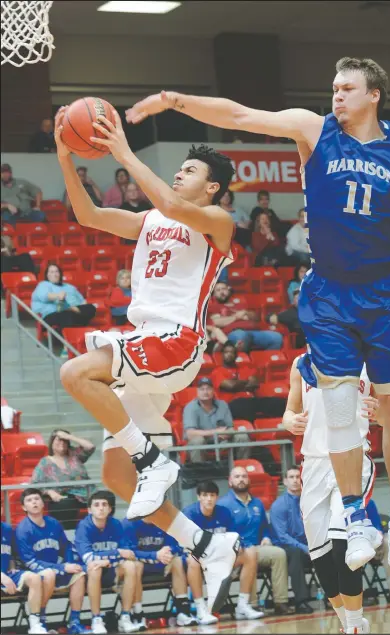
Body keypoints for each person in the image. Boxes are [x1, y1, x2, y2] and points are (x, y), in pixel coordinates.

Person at [126, 56, 390, 572]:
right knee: (341, 410)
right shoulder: (314, 129)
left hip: (387, 293)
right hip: (328, 293)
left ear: (374, 94)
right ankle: (356, 518)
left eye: (347, 88)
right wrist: (173, 101)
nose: (336, 95)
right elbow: (239, 116)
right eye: (333, 87)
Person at [54, 106, 240, 615]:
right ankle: (206, 545)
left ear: (213, 190)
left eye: (192, 170)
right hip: (147, 346)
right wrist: (65, 155)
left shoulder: (216, 223)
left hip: (175, 341)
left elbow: (172, 203)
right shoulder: (151, 218)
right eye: (180, 166)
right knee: (117, 479)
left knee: (74, 372)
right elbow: (88, 215)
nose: (182, 171)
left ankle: (151, 459)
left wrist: (122, 152)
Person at [282, 356, 377, 633]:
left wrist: (379, 410)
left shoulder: (365, 361)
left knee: (342, 546)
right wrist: (290, 421)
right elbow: (289, 410)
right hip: (313, 464)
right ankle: (349, 624)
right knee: (321, 560)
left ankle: (355, 626)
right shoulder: (300, 362)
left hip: (352, 459)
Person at [183, 481, 264, 622]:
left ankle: (243, 606)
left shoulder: (224, 512)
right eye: (205, 495)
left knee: (250, 553)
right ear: (199, 497)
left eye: (212, 495)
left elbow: (234, 535)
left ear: (217, 497)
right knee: (193, 560)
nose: (209, 499)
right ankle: (201, 609)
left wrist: (238, 546)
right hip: (199, 558)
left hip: (220, 556)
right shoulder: (189, 513)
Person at [219, 466, 290, 615]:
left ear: (249, 480)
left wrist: (266, 537)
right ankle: (250, 604)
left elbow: (265, 526)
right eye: (237, 477)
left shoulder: (257, 503)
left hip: (257, 547)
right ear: (230, 481)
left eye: (244, 476)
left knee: (279, 553)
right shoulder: (223, 505)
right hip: (235, 552)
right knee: (249, 556)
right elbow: (221, 534)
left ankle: (281, 602)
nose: (241, 479)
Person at [15, 488, 86, 634]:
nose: (34, 502)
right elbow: (29, 561)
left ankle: (75, 622)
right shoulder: (23, 529)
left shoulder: (53, 523)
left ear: (42, 504)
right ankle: (40, 619)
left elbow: (66, 546)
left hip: (56, 567)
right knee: (48, 574)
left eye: (37, 499)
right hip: (34, 573)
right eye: (29, 500)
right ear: (23, 507)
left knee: (79, 574)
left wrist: (69, 563)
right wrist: (61, 568)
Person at [74, 491, 141, 634]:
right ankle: (96, 619)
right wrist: (114, 554)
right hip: (86, 574)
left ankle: (125, 617)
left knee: (130, 565)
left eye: (104, 505)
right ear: (89, 510)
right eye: (96, 505)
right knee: (95, 567)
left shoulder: (116, 524)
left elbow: (127, 553)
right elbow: (88, 557)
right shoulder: (83, 526)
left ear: (110, 509)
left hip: (111, 569)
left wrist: (106, 558)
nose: (101, 508)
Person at [121, 519, 195, 629]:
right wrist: (155, 555)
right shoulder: (129, 523)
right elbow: (129, 552)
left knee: (177, 561)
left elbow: (177, 545)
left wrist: (169, 550)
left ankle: (183, 612)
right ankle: (138, 614)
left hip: (161, 562)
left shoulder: (164, 520)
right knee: (135, 565)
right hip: (142, 562)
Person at [269, 466, 314, 614]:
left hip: (306, 545)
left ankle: (333, 596)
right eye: (291, 477)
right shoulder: (278, 505)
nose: (295, 480)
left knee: (329, 548)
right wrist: (304, 548)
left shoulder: (310, 502)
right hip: (285, 547)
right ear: (285, 481)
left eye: (297, 477)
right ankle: (301, 602)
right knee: (296, 553)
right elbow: (282, 536)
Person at [31, 429, 95, 529]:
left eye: (65, 440)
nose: (62, 442)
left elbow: (90, 447)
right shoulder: (45, 462)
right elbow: (34, 484)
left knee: (107, 498)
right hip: (63, 498)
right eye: (59, 439)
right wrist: (49, 492)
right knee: (65, 505)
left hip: (87, 494)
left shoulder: (75, 455)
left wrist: (70, 436)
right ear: (52, 442)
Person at [210, 341, 286, 422]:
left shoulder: (245, 369)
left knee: (279, 402)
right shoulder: (217, 372)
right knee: (243, 406)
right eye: (226, 352)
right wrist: (246, 383)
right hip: (232, 404)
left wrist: (237, 384)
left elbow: (254, 384)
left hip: (251, 401)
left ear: (236, 355)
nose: (229, 354)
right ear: (222, 355)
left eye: (232, 352)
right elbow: (231, 386)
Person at [183, 377, 250, 462]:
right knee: (197, 440)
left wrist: (226, 433)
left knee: (242, 436)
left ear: (213, 391)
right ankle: (199, 472)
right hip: (203, 442)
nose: (205, 392)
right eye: (202, 389)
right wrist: (215, 432)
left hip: (222, 441)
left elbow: (230, 428)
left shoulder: (222, 404)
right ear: (197, 392)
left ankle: (241, 469)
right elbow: (190, 434)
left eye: (208, 389)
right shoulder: (190, 407)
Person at [208, 281, 283, 352]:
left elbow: (256, 318)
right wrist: (237, 317)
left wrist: (246, 312)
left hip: (254, 331)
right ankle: (243, 360)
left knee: (277, 338)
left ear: (228, 290)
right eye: (218, 290)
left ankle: (262, 360)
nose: (221, 292)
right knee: (242, 337)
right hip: (234, 332)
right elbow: (217, 322)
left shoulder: (240, 304)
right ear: (214, 294)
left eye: (223, 289)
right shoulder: (214, 307)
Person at [1, 521, 48, 634]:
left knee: (34, 578)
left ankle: (35, 624)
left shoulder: (7, 528)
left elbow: (10, 553)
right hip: (2, 576)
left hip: (7, 573)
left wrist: (12, 566)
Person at [31, 264, 97, 330]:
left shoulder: (70, 287)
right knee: (67, 315)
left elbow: (82, 302)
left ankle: (70, 309)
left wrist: (77, 308)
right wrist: (58, 296)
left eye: (57, 272)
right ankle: (67, 335)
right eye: (51, 272)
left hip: (74, 313)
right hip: (50, 315)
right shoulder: (43, 284)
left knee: (91, 307)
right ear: (47, 275)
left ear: (60, 274)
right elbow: (45, 296)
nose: (55, 274)